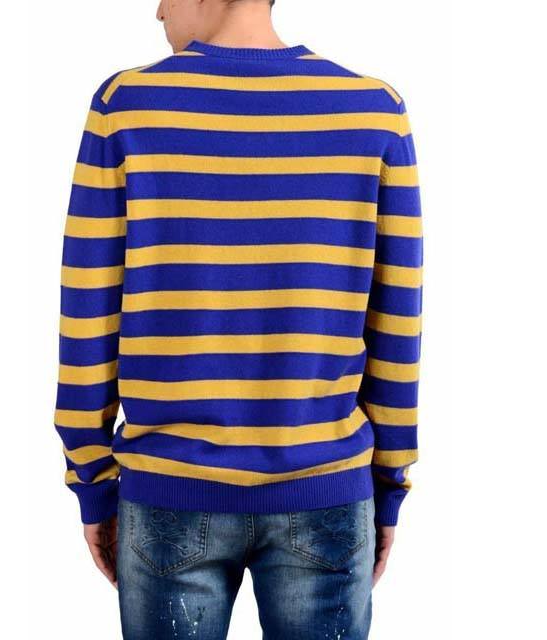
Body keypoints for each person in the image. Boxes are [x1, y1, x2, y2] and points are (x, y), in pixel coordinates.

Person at [54, 0, 423, 637]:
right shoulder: (373, 111)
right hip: (328, 490)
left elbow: (89, 308)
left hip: (168, 488)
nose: (158, 12)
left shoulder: (127, 107)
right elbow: (397, 318)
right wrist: (388, 482)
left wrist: (93, 476)